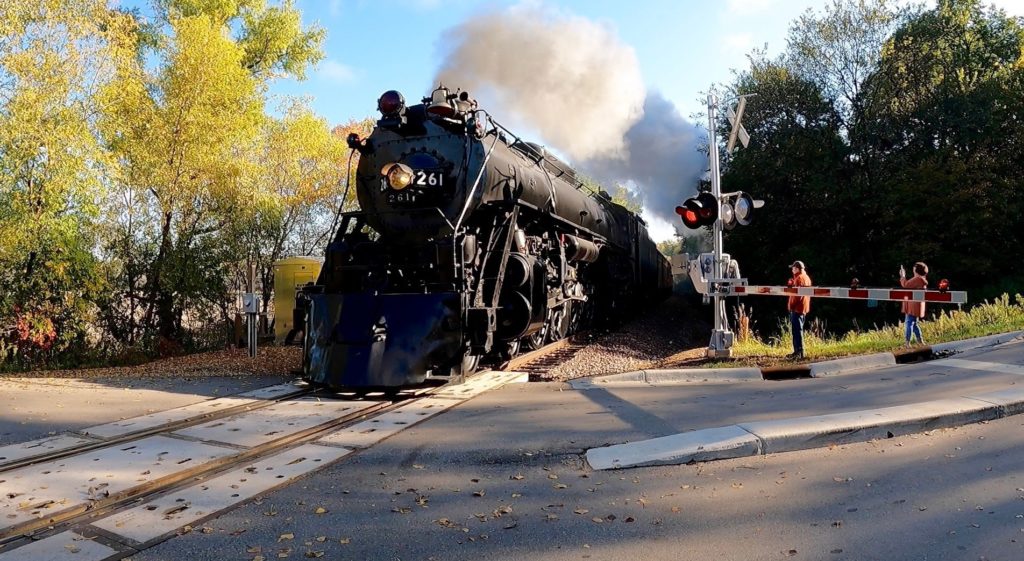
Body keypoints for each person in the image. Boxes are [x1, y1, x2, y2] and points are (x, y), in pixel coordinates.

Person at [899, 262, 928, 347]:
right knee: (914, 323)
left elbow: (905, 284)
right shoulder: (921, 279)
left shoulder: (917, 279)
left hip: (912, 306)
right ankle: (920, 341)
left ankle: (907, 343)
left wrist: (903, 276)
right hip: (915, 306)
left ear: (916, 269)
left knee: (909, 323)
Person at [787, 260, 812, 359]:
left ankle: (799, 352)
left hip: (797, 308)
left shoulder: (799, 278)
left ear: (797, 268)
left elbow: (797, 295)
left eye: (793, 268)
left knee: (797, 330)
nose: (792, 270)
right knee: (797, 330)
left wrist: (791, 306)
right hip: (803, 307)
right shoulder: (806, 277)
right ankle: (797, 352)